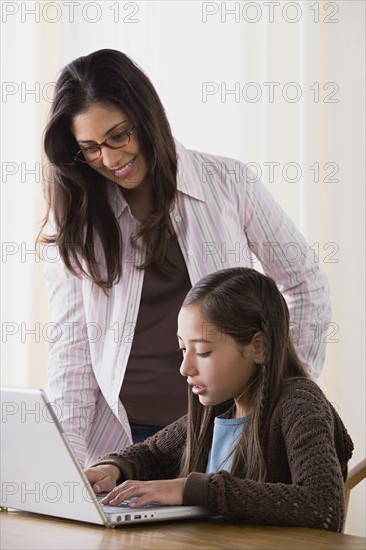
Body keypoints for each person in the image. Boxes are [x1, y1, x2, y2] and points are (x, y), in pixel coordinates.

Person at [39, 48, 332, 467]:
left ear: (146, 117)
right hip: (124, 446)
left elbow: (306, 284)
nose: (109, 159)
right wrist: (66, 464)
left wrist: (277, 392)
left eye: (118, 136)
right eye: (90, 148)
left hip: (226, 436)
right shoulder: (81, 219)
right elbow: (72, 350)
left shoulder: (227, 184)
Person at [84, 267, 353, 532]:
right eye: (182, 348)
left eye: (202, 352)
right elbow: (153, 453)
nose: (184, 368)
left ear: (258, 346)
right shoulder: (220, 409)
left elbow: (324, 507)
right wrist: (113, 469)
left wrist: (194, 490)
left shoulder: (299, 405)